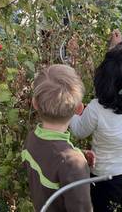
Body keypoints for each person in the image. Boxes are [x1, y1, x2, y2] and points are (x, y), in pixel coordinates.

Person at [70, 30, 122, 212]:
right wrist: (116, 48)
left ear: (104, 78)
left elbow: (78, 130)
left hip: (105, 179)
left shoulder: (96, 109)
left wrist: (72, 112)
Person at [22, 64, 93, 212]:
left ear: (35, 103)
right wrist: (76, 159)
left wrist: (77, 153)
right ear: (79, 109)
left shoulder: (31, 139)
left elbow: (50, 157)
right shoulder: (73, 163)